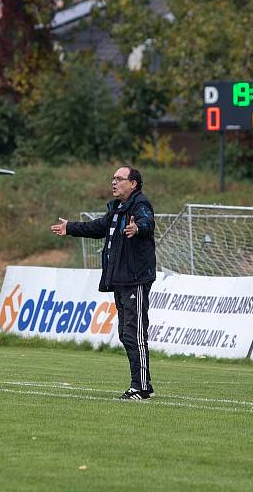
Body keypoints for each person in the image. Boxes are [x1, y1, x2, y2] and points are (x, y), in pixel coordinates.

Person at [51, 166, 156, 400]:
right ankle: (143, 384)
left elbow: (147, 223)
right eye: (113, 178)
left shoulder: (140, 205)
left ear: (134, 184)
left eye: (119, 179)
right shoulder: (117, 209)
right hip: (120, 280)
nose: (114, 182)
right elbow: (98, 227)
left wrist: (137, 228)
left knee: (134, 333)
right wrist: (71, 228)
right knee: (126, 333)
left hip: (135, 280)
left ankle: (139, 387)